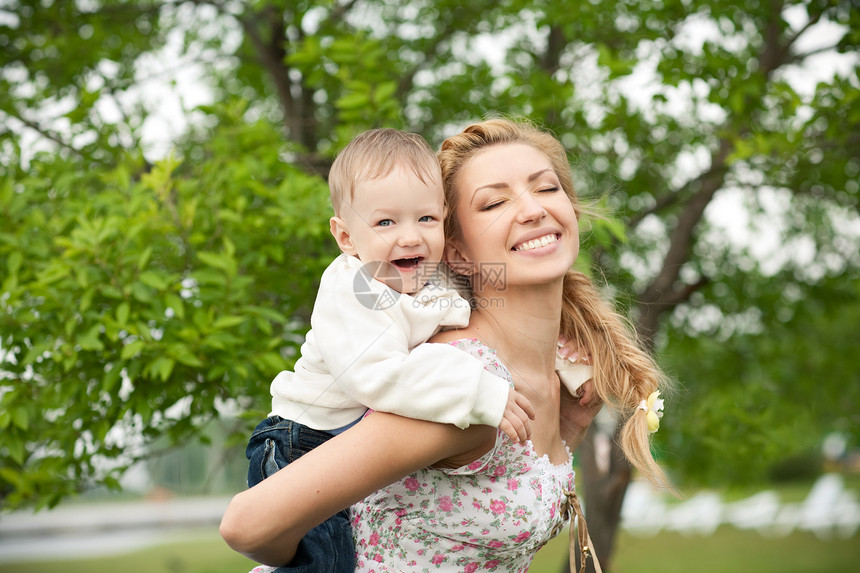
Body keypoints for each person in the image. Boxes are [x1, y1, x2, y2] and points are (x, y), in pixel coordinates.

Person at [221, 118, 671, 572]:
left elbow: (486, 523)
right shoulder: (456, 383)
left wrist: (567, 427)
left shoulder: (552, 387)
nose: (533, 209)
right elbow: (247, 525)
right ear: (454, 249)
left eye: (547, 188)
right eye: (494, 201)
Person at [243, 128, 538, 572]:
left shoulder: (424, 278)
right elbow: (379, 377)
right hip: (297, 444)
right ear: (345, 237)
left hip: (344, 440)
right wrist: (477, 392)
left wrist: (567, 355)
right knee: (330, 562)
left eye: (426, 219)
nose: (410, 237)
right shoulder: (350, 289)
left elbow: (494, 318)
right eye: (385, 222)